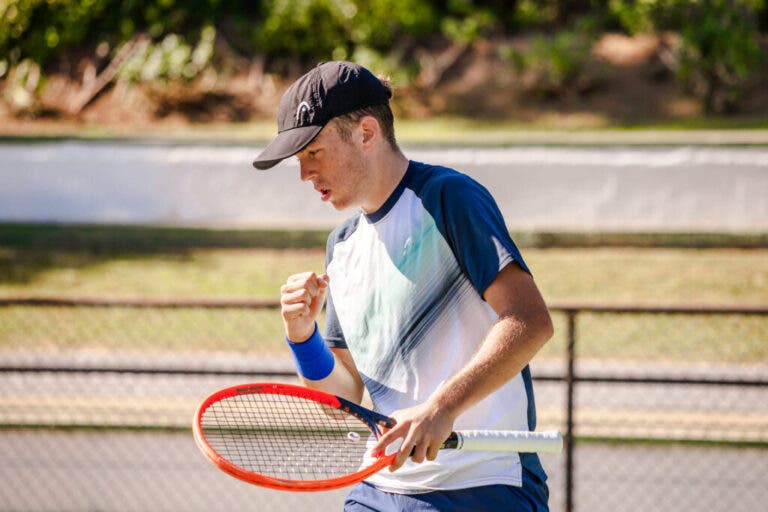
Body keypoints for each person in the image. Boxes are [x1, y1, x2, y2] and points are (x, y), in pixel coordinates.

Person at [253, 61, 554, 511]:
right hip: (382, 487)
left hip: (483, 481)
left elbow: (529, 322)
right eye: (299, 160)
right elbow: (343, 395)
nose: (304, 174)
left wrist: (441, 407)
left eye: (313, 152)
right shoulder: (342, 246)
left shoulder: (449, 197)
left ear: (367, 133)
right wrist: (302, 336)